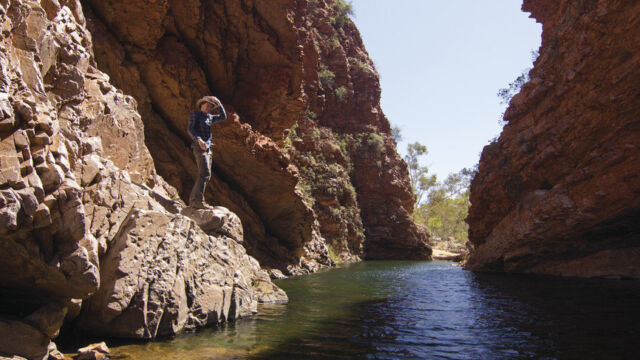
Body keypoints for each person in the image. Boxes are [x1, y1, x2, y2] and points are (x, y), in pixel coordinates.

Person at [187, 96, 227, 208]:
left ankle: (197, 199)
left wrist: (219, 104)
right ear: (201, 105)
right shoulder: (195, 115)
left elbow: (223, 117)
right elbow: (190, 129)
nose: (209, 107)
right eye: (207, 105)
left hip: (208, 148)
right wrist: (198, 139)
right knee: (204, 173)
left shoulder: (210, 117)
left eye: (211, 106)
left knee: (206, 175)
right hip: (199, 146)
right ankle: (196, 200)